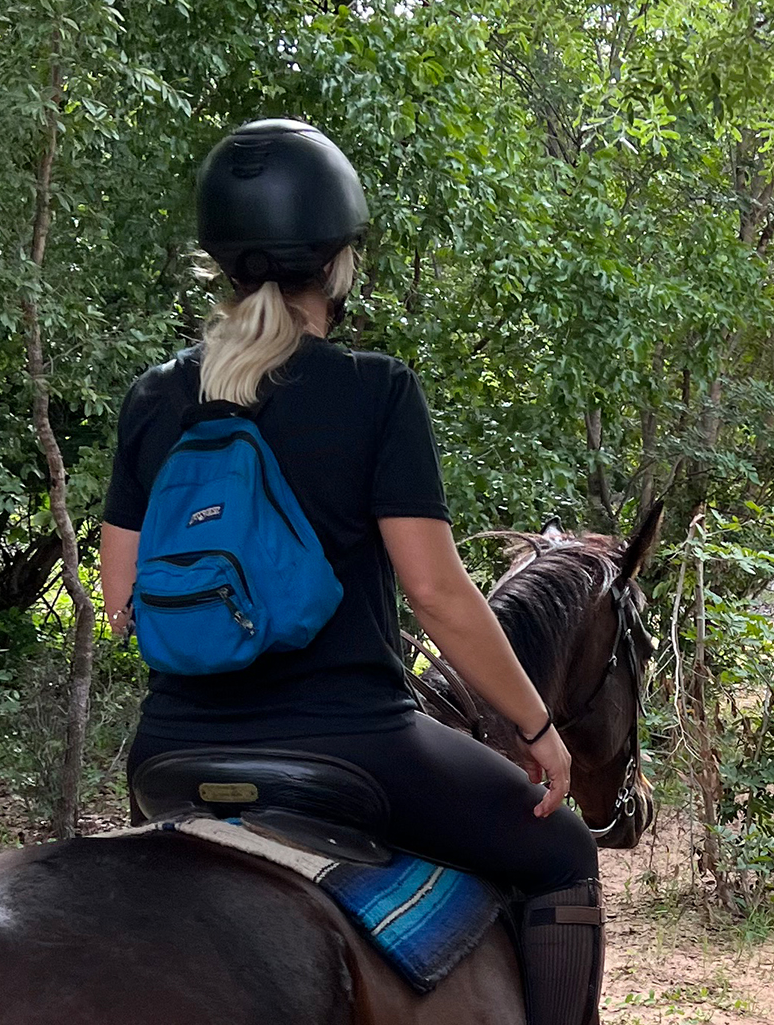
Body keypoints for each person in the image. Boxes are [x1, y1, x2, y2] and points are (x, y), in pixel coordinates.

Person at [99, 120, 606, 1024]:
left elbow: (120, 600)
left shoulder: (156, 396)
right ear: (339, 263)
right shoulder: (376, 389)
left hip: (171, 751)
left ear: (217, 264)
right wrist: (535, 729)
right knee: (563, 852)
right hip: (353, 746)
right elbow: (440, 594)